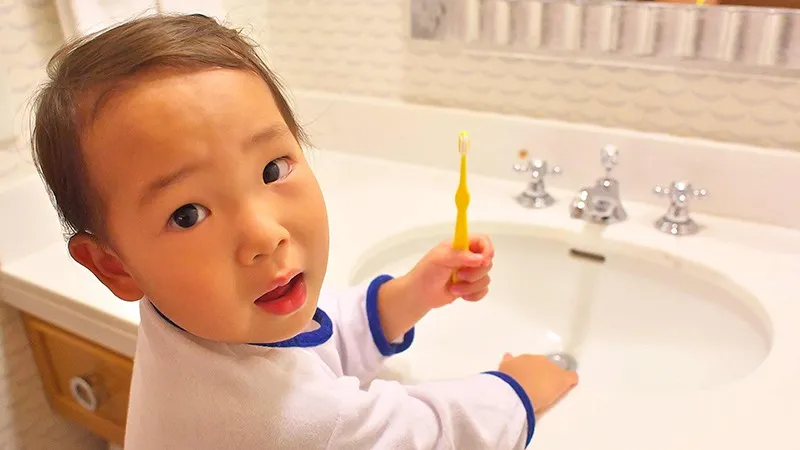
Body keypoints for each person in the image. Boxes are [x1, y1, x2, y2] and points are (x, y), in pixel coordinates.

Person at [29, 13, 578, 449]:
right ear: (115, 265)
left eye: (272, 169)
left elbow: (309, 340)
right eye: (188, 214)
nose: (264, 234)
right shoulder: (278, 422)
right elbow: (431, 436)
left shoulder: (198, 324)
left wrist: (410, 295)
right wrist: (519, 391)